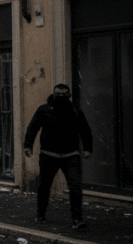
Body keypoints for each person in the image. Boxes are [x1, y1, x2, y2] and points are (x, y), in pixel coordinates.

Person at [23, 84, 94, 229]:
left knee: (75, 188)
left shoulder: (75, 111)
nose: (61, 97)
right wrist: (27, 145)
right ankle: (40, 214)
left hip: (71, 155)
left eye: (64, 94)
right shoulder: (44, 110)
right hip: (48, 155)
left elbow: (85, 130)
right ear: (53, 94)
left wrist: (88, 148)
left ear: (69, 96)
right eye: (58, 94)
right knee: (44, 186)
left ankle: (77, 219)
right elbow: (33, 127)